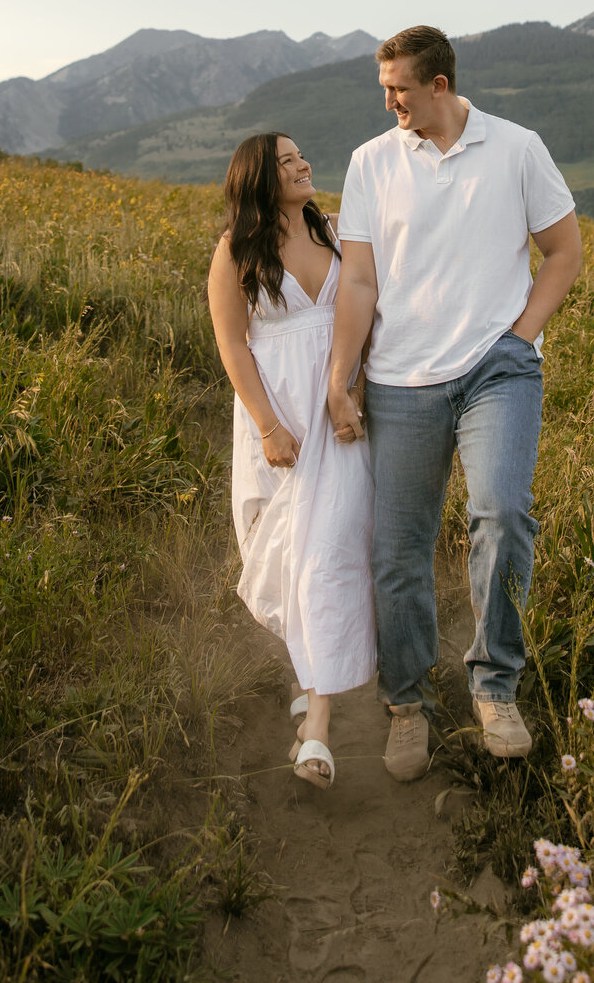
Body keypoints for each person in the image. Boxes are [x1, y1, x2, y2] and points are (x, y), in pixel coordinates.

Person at [326, 25, 583, 782]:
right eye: (385, 89)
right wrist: (342, 377)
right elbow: (361, 283)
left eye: (400, 88)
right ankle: (408, 705)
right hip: (400, 381)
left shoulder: (517, 148)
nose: (389, 101)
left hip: (494, 372)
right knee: (396, 552)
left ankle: (494, 685)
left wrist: (520, 337)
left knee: (502, 513)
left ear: (439, 84)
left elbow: (564, 250)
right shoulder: (372, 162)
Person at [208, 132, 374, 788]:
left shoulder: (336, 233)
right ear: (258, 179)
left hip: (337, 415)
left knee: (327, 559)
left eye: (303, 153)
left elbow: (371, 315)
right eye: (286, 161)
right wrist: (270, 428)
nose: (304, 163)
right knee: (283, 559)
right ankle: (310, 676)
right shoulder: (237, 252)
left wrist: (355, 391)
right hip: (278, 423)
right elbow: (233, 348)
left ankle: (318, 734)